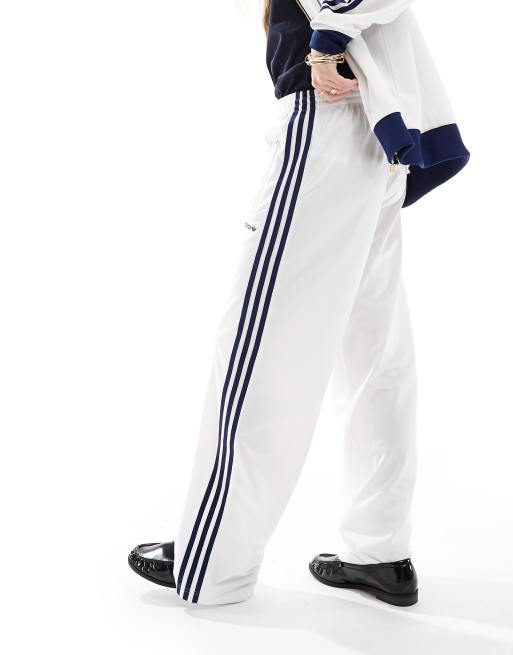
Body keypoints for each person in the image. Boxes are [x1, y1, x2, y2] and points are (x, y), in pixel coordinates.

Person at [128, 0, 469, 607]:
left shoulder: (332, 35)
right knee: (373, 351)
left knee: (258, 342)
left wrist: (328, 36)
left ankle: (214, 558)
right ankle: (379, 552)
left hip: (329, 123)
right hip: (373, 126)